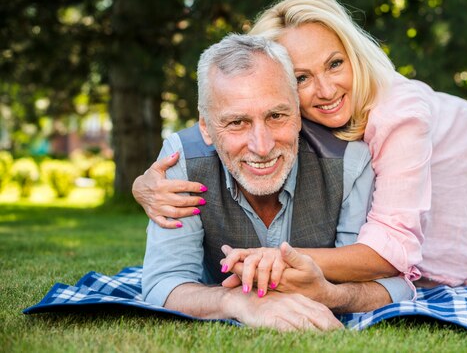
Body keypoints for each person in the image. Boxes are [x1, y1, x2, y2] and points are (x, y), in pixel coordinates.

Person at [135, 0, 467, 294]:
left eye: (335, 64)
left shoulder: (400, 117)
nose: (326, 90)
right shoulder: (278, 109)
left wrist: (277, 259)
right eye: (301, 78)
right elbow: (227, 112)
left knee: (425, 263)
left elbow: (393, 250)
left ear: (354, 54)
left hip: (458, 151)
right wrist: (145, 182)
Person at [141, 33, 413, 331]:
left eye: (276, 116)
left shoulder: (350, 162)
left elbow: (392, 286)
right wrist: (240, 302)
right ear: (205, 126)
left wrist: (331, 294)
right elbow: (162, 284)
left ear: (298, 113)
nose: (262, 145)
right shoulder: (181, 160)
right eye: (237, 122)